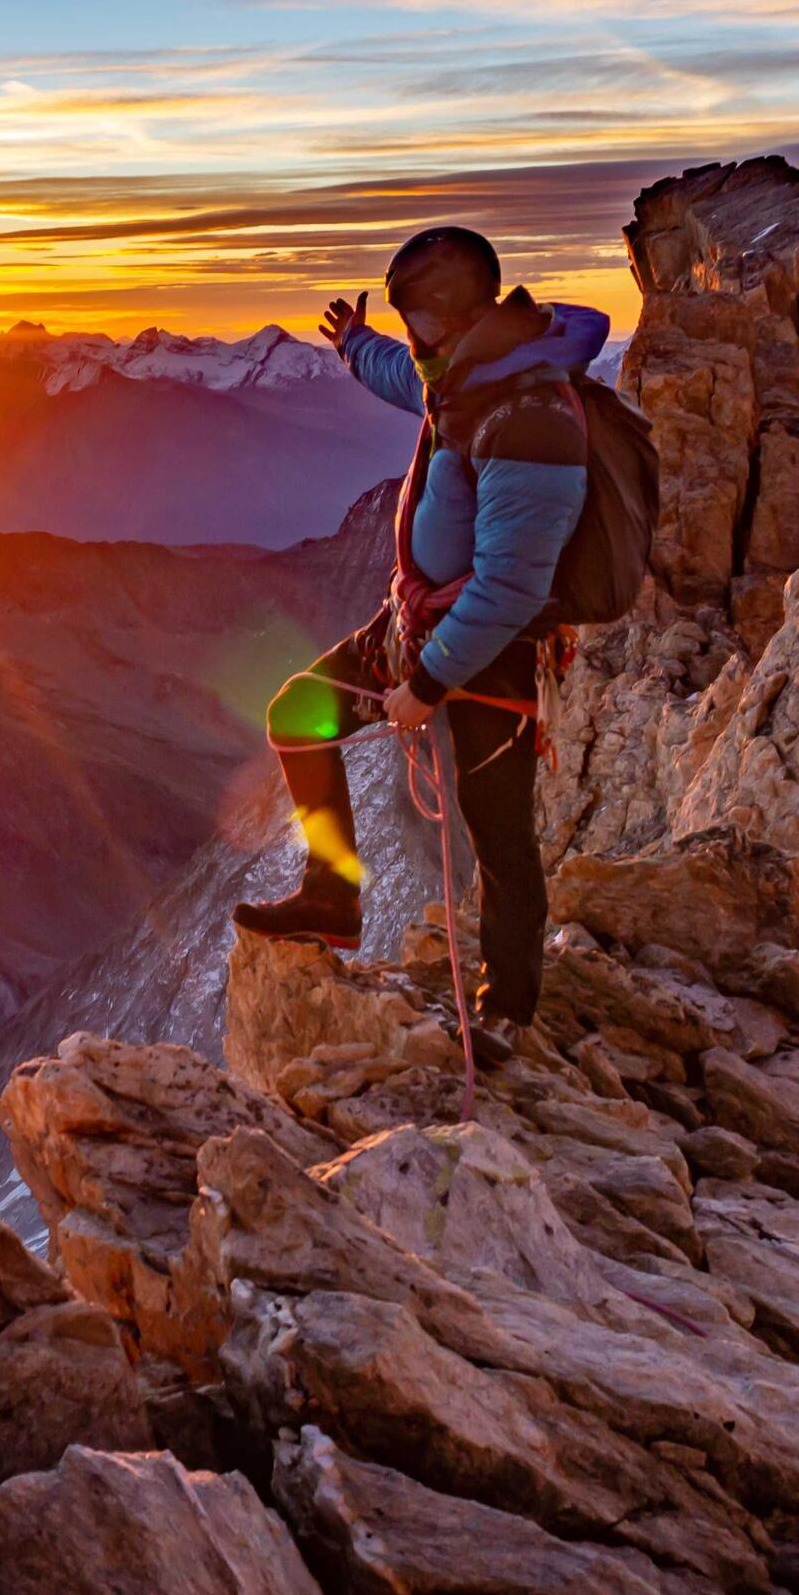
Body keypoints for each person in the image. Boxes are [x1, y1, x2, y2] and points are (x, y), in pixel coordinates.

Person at [232, 225, 608, 1037]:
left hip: (495, 653)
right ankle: (332, 898)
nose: (409, 336)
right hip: (420, 619)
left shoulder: (532, 416)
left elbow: (511, 587)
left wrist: (426, 684)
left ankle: (507, 1007)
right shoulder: (461, 376)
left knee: (497, 827)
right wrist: (353, 342)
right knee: (300, 715)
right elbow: (401, 375)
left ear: (453, 313)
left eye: (416, 317)